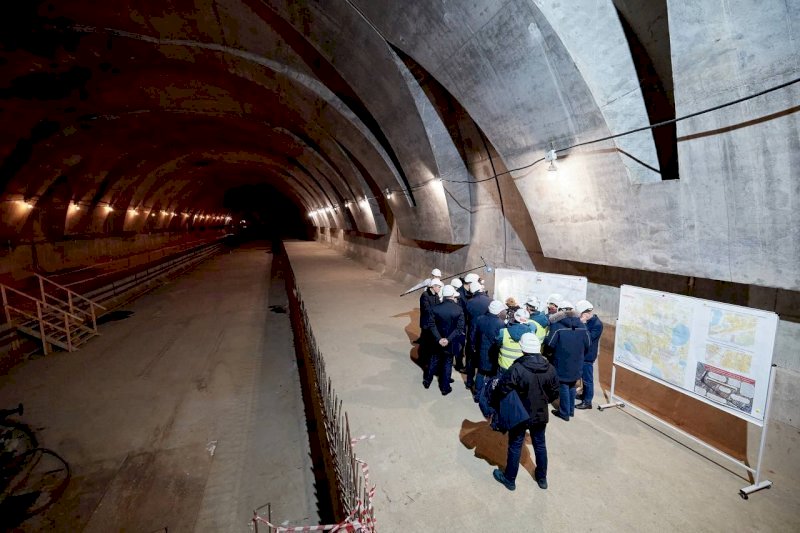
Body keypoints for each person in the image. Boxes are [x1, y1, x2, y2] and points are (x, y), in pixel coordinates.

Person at [491, 333, 560, 491]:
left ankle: (510, 479)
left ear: (523, 348)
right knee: (540, 445)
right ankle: (542, 479)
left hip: (519, 414)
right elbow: (555, 393)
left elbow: (503, 388)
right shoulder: (550, 369)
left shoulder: (518, 368)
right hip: (540, 414)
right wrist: (543, 401)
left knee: (515, 445)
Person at [544, 301, 590, 421]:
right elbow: (588, 343)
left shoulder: (557, 326)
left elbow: (550, 344)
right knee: (572, 384)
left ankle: (564, 412)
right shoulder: (582, 326)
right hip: (577, 361)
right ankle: (570, 410)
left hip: (561, 361)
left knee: (563, 385)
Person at [424, 284, 465, 395]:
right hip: (450, 343)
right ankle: (445, 388)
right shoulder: (458, 310)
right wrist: (448, 339)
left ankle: (427, 381)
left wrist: (439, 339)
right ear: (452, 295)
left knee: (433, 360)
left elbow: (431, 325)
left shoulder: (435, 308)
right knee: (447, 363)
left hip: (437, 342)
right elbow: (459, 328)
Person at [473, 300, 507, 399]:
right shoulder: (500, 324)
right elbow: (499, 341)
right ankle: (487, 395)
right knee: (492, 374)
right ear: (499, 312)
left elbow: (474, 335)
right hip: (493, 353)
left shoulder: (479, 319)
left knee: (480, 372)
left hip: (480, 350)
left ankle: (477, 395)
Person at [575, 299, 603, 410]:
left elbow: (588, 339)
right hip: (582, 354)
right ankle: (583, 395)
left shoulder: (597, 324)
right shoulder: (585, 320)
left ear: (586, 313)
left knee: (587, 379)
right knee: (583, 378)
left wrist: (584, 324)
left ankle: (588, 402)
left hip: (588, 356)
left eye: (581, 314)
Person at [464, 281, 491, 391]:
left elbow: (466, 319)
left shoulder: (470, 302)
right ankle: (481, 383)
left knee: (470, 359)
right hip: (485, 335)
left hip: (472, 334)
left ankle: (469, 382)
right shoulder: (490, 301)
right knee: (482, 358)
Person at [496, 308, 536, 373]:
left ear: (514, 317)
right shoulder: (530, 334)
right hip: (521, 368)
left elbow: (497, 345)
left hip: (504, 366)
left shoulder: (503, 332)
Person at [418, 278, 443, 369]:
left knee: (429, 344)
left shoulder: (436, 295)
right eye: (439, 287)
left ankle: (427, 360)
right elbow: (427, 309)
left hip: (432, 324)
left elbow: (439, 306)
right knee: (424, 343)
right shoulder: (425, 295)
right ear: (433, 286)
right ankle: (421, 360)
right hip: (426, 324)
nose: (440, 288)